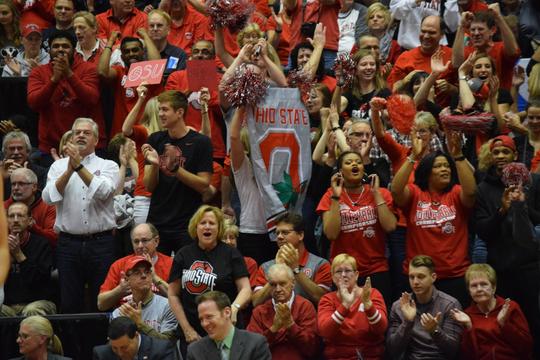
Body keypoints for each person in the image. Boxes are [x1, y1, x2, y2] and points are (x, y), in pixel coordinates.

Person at [391, 130, 476, 307]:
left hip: (455, 275)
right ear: (427, 171)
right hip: (420, 276)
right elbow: (396, 191)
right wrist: (413, 156)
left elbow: (471, 192)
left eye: (446, 166)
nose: (444, 169)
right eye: (438, 166)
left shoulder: (456, 192)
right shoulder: (415, 193)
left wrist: (458, 156)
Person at [42, 118, 119, 313]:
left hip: (101, 243)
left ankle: (99, 344)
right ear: (71, 138)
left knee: (101, 302)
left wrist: (79, 167)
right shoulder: (57, 167)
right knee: (69, 302)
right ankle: (72, 344)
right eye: (77, 132)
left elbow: (104, 192)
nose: (81, 135)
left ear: (96, 140)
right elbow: (48, 197)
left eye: (87, 132)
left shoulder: (109, 165)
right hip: (68, 244)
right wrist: (69, 170)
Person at [474, 135, 540, 354]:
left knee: (534, 322)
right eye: (496, 152)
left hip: (531, 268)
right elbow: (482, 230)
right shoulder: (484, 188)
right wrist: (502, 210)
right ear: (490, 157)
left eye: (505, 152)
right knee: (507, 325)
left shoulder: (534, 181)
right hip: (501, 270)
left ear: (515, 155)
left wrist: (521, 206)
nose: (500, 156)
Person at [167, 206, 251, 354]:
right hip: (193, 332)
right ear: (195, 227)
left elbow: (245, 288)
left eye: (212, 223)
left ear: (219, 228)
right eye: (202, 222)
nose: (207, 226)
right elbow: (173, 294)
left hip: (225, 329)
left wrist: (234, 308)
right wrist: (187, 329)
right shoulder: (183, 254)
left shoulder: (231, 253)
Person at [318, 151, 396, 306]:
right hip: (344, 270)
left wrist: (376, 194)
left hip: (376, 268)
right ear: (340, 172)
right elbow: (331, 234)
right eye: (348, 162)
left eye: (358, 162)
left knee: (377, 317)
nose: (354, 164)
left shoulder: (381, 193)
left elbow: (390, 226)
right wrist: (335, 196)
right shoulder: (329, 195)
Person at [142, 90, 213, 254]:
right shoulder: (155, 139)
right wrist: (155, 164)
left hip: (187, 222)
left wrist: (175, 169)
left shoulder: (201, 142)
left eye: (165, 109)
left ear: (180, 112)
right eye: (159, 109)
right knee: (156, 272)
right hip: (157, 220)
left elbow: (203, 185)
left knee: (186, 275)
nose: (160, 114)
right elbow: (149, 186)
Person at [27, 30, 106, 163]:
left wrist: (68, 73)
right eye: (56, 46)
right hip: (52, 147)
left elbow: (91, 99)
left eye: (65, 46)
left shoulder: (89, 69)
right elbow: (34, 103)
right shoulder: (38, 72)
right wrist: (54, 80)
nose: (60, 50)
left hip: (89, 145)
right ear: (49, 50)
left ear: (74, 49)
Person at [450, 264, 533, 359]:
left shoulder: (510, 307)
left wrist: (504, 324)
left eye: (484, 284)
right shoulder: (466, 315)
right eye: (474, 286)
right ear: (469, 291)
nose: (479, 289)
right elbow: (467, 356)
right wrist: (469, 326)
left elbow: (526, 347)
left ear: (494, 287)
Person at [387, 255, 463, 359]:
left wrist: (435, 331)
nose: (415, 282)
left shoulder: (450, 305)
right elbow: (392, 351)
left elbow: (453, 351)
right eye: (411, 277)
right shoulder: (399, 306)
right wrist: (407, 323)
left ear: (433, 277)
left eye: (421, 277)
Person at [251, 213, 332, 306]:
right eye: (277, 233)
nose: (279, 237)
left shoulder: (320, 264)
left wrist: (296, 270)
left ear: (301, 235)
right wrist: (277, 271)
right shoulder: (266, 267)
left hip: (307, 318)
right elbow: (256, 302)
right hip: (275, 318)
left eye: (285, 233)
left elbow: (323, 300)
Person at [318, 253, 388, 360]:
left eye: (348, 271)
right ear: (332, 277)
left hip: (370, 356)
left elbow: (381, 329)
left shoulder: (372, 294)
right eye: (338, 271)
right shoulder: (327, 299)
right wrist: (345, 305)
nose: (343, 275)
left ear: (356, 275)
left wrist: (368, 305)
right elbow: (325, 332)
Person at [247, 263, 319, 360]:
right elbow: (252, 349)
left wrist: (291, 325)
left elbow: (312, 348)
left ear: (293, 283)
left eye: (282, 283)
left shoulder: (305, 306)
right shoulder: (260, 311)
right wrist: (273, 329)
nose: (278, 289)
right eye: (273, 284)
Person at [97, 29, 161, 138]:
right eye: (127, 51)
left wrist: (146, 36)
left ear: (142, 52)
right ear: (122, 57)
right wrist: (111, 42)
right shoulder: (119, 71)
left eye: (135, 50)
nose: (131, 54)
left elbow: (157, 64)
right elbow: (102, 72)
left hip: (146, 131)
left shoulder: (150, 71)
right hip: (121, 134)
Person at [98, 222, 172, 311]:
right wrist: (120, 290)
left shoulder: (171, 264)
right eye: (136, 241)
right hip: (127, 318)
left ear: (156, 241)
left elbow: (179, 299)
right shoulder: (119, 265)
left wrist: (154, 278)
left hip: (160, 317)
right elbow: (101, 304)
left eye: (144, 240)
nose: (140, 246)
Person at [1, 202, 55, 317]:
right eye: (11, 216)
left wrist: (19, 254)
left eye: (20, 216)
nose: (15, 220)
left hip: (38, 301)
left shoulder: (42, 244)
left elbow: (40, 282)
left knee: (32, 310)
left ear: (30, 221)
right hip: (8, 305)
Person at [386, 15, 455, 104]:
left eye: (432, 32)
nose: (426, 36)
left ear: (442, 35)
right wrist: (405, 80)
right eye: (423, 31)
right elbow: (392, 91)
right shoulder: (405, 58)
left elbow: (462, 90)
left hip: (443, 113)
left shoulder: (451, 56)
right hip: (412, 111)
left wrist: (451, 88)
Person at [186, 291, 272, 360]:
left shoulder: (255, 344)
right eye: (201, 319)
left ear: (227, 312)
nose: (204, 324)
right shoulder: (195, 351)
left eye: (209, 317)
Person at [452, 5, 520, 90]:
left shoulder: (501, 48)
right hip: (473, 101)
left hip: (501, 100)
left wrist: (498, 18)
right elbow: (456, 63)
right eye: (473, 30)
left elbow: (514, 51)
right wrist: (462, 26)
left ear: (492, 30)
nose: (476, 33)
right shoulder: (468, 52)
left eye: (480, 29)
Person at [110, 256, 178, 341]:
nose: (143, 276)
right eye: (137, 272)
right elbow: (117, 348)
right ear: (127, 279)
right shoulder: (119, 314)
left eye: (147, 272)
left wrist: (140, 324)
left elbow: (167, 344)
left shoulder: (168, 306)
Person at [5, 168, 56, 247]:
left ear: (34, 187)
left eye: (21, 184)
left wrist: (33, 227)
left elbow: (54, 239)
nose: (16, 188)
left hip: (40, 252)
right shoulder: (3, 207)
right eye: (13, 184)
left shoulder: (48, 206)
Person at [92, 316, 178, 360]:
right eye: (114, 348)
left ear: (136, 336)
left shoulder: (161, 350)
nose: (120, 353)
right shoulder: (101, 354)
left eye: (124, 347)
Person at [342, 48, 391, 120]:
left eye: (372, 64)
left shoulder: (384, 92)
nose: (368, 67)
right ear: (355, 69)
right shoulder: (350, 92)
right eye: (364, 64)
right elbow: (335, 109)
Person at [389, 0, 458, 50]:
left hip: (437, 49)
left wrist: (451, 3)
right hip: (409, 48)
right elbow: (396, 14)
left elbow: (452, 27)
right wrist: (414, 2)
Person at [1, 130, 47, 200]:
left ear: (28, 151)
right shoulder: (1, 172)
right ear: (5, 152)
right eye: (12, 149)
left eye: (20, 148)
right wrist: (1, 179)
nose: (16, 152)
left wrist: (26, 177)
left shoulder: (41, 172)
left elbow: (40, 201)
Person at [147, 9, 186, 79]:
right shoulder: (141, 54)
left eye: (159, 25)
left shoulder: (179, 54)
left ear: (168, 30)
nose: (155, 29)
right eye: (152, 26)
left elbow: (180, 82)